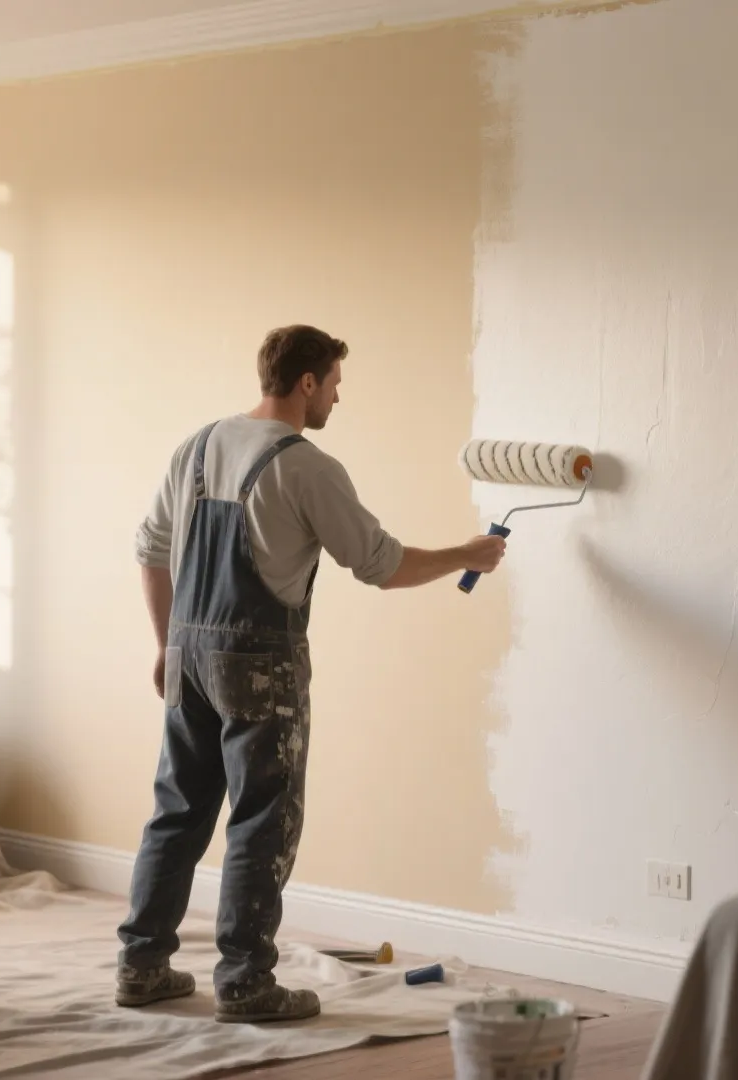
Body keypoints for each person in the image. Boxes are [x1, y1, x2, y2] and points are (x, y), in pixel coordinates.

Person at [114, 324, 506, 1023]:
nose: (335, 400)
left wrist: (162, 644)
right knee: (264, 818)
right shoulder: (306, 467)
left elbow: (150, 547)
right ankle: (245, 983)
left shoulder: (199, 445)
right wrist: (465, 555)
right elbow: (383, 566)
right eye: (333, 385)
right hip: (260, 664)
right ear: (305, 383)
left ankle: (142, 967)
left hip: (187, 654)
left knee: (178, 810)